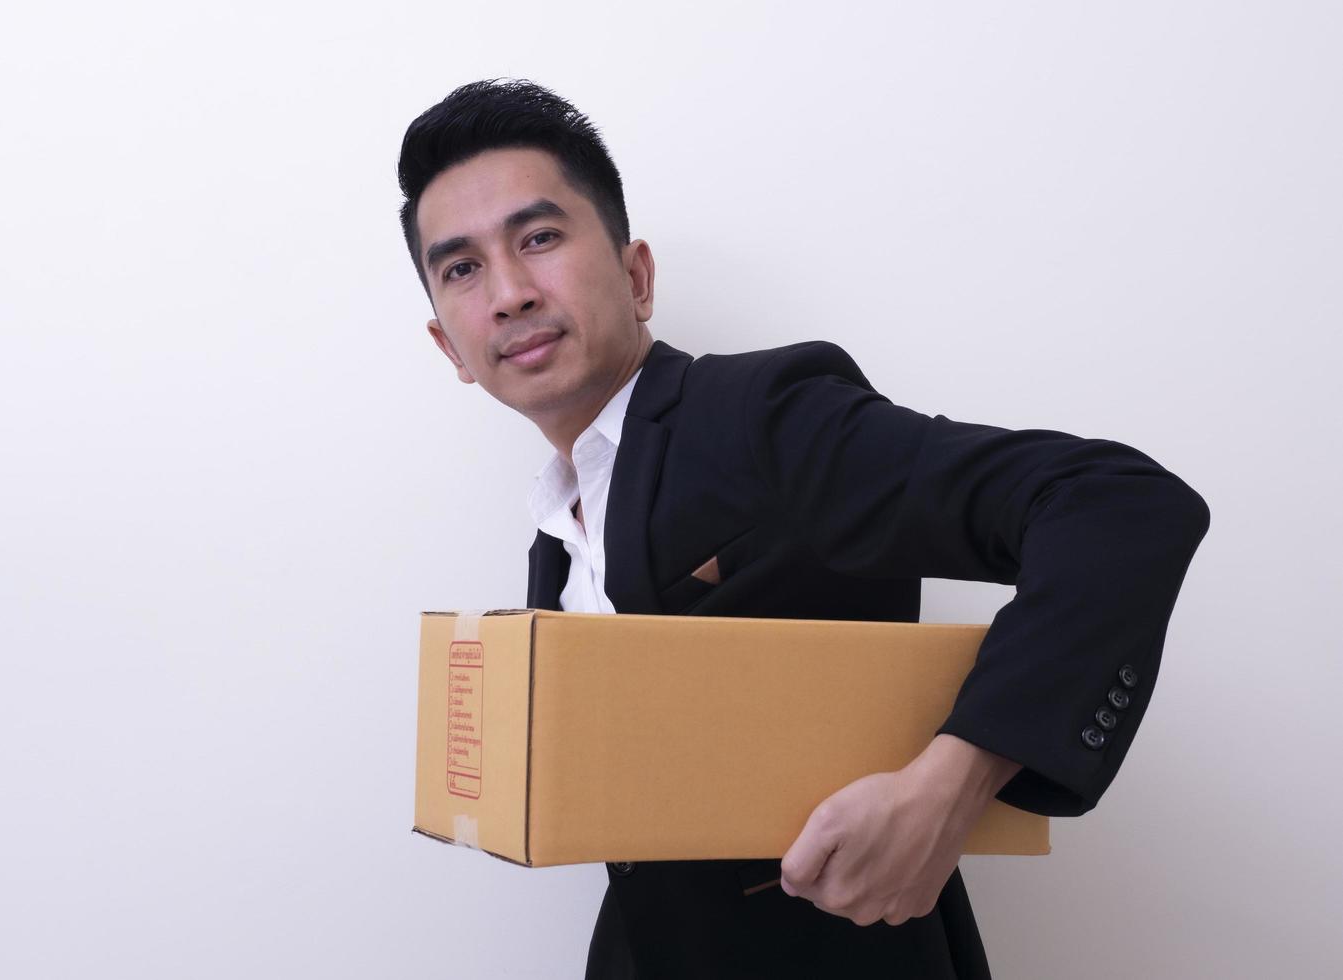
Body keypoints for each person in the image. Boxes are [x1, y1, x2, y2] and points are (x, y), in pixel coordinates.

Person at [396, 78, 1210, 979]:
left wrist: (953, 783)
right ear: (450, 347)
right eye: (462, 268)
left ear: (635, 276)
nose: (507, 292)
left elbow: (1116, 504)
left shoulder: (761, 419)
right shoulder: (552, 536)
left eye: (539, 237)